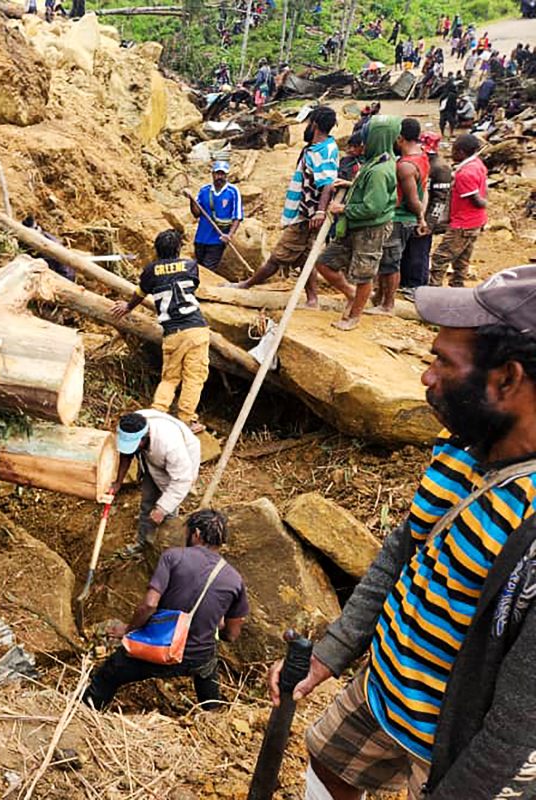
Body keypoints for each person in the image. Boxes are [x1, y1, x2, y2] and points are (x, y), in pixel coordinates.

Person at [269, 266, 536, 799]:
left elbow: (519, 713)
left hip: (459, 738)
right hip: (387, 687)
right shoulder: (461, 444)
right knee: (328, 766)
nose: (426, 377)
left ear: (506, 379)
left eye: (443, 362)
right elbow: (404, 548)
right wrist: (334, 650)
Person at [82, 509, 248, 711]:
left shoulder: (173, 557)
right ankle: (213, 714)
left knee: (107, 675)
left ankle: (86, 712)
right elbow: (231, 634)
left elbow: (149, 605)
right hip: (197, 657)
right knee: (208, 669)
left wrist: (128, 630)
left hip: (157, 650)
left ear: (196, 533)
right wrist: (211, 625)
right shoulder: (234, 578)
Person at [111, 231, 210, 433]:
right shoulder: (190, 266)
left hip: (171, 332)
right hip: (195, 328)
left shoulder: (150, 270)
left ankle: (157, 414)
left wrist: (128, 307)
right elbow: (193, 285)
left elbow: (140, 293)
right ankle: (186, 420)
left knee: (170, 378)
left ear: (156, 250)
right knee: (194, 377)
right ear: (178, 249)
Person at [231, 106, 338, 291]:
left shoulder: (322, 152)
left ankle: (246, 285)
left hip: (305, 216)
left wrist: (319, 212)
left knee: (277, 257)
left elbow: (328, 183)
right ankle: (312, 299)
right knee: (305, 257)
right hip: (305, 214)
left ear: (315, 125)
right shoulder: (319, 148)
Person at [310, 115, 399, 329]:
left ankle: (354, 317)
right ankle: (350, 294)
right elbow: (369, 192)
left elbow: (373, 207)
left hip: (369, 229)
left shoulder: (379, 170)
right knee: (324, 262)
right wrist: (351, 184)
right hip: (354, 226)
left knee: (364, 273)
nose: (362, 144)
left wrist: (343, 208)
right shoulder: (376, 161)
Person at [108, 411, 201, 547]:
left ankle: (165, 550)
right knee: (148, 501)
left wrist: (162, 509)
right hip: (153, 461)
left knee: (167, 511)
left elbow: (181, 480)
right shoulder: (132, 424)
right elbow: (126, 454)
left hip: (179, 467)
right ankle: (142, 543)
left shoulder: (171, 446)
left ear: (144, 438)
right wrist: (118, 482)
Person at [372, 118, 428, 315]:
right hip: (405, 218)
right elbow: (424, 191)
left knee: (390, 262)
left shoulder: (405, 166)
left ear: (400, 138)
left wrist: (419, 216)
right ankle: (379, 297)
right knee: (387, 261)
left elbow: (412, 199)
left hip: (399, 218)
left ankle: (387, 305)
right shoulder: (422, 157)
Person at [429, 133, 487, 287]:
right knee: (461, 259)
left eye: (454, 151)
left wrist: (483, 202)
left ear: (461, 152)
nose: (451, 154)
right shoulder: (477, 165)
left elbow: (477, 200)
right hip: (475, 222)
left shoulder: (465, 174)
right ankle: (457, 286)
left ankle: (434, 290)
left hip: (463, 223)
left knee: (440, 257)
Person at [400, 132, 450, 295]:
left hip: (426, 218)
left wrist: (429, 223)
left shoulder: (440, 168)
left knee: (419, 254)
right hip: (414, 215)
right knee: (408, 252)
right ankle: (405, 283)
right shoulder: (421, 162)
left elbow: (440, 200)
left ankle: (417, 286)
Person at [189, 161, 243, 274]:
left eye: (223, 174)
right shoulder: (204, 190)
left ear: (227, 175)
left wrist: (229, 235)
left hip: (218, 239)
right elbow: (196, 213)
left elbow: (237, 216)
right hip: (201, 238)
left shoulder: (233, 191)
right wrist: (191, 199)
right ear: (212, 174)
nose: (220, 177)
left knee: (208, 269)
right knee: (198, 268)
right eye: (217, 174)